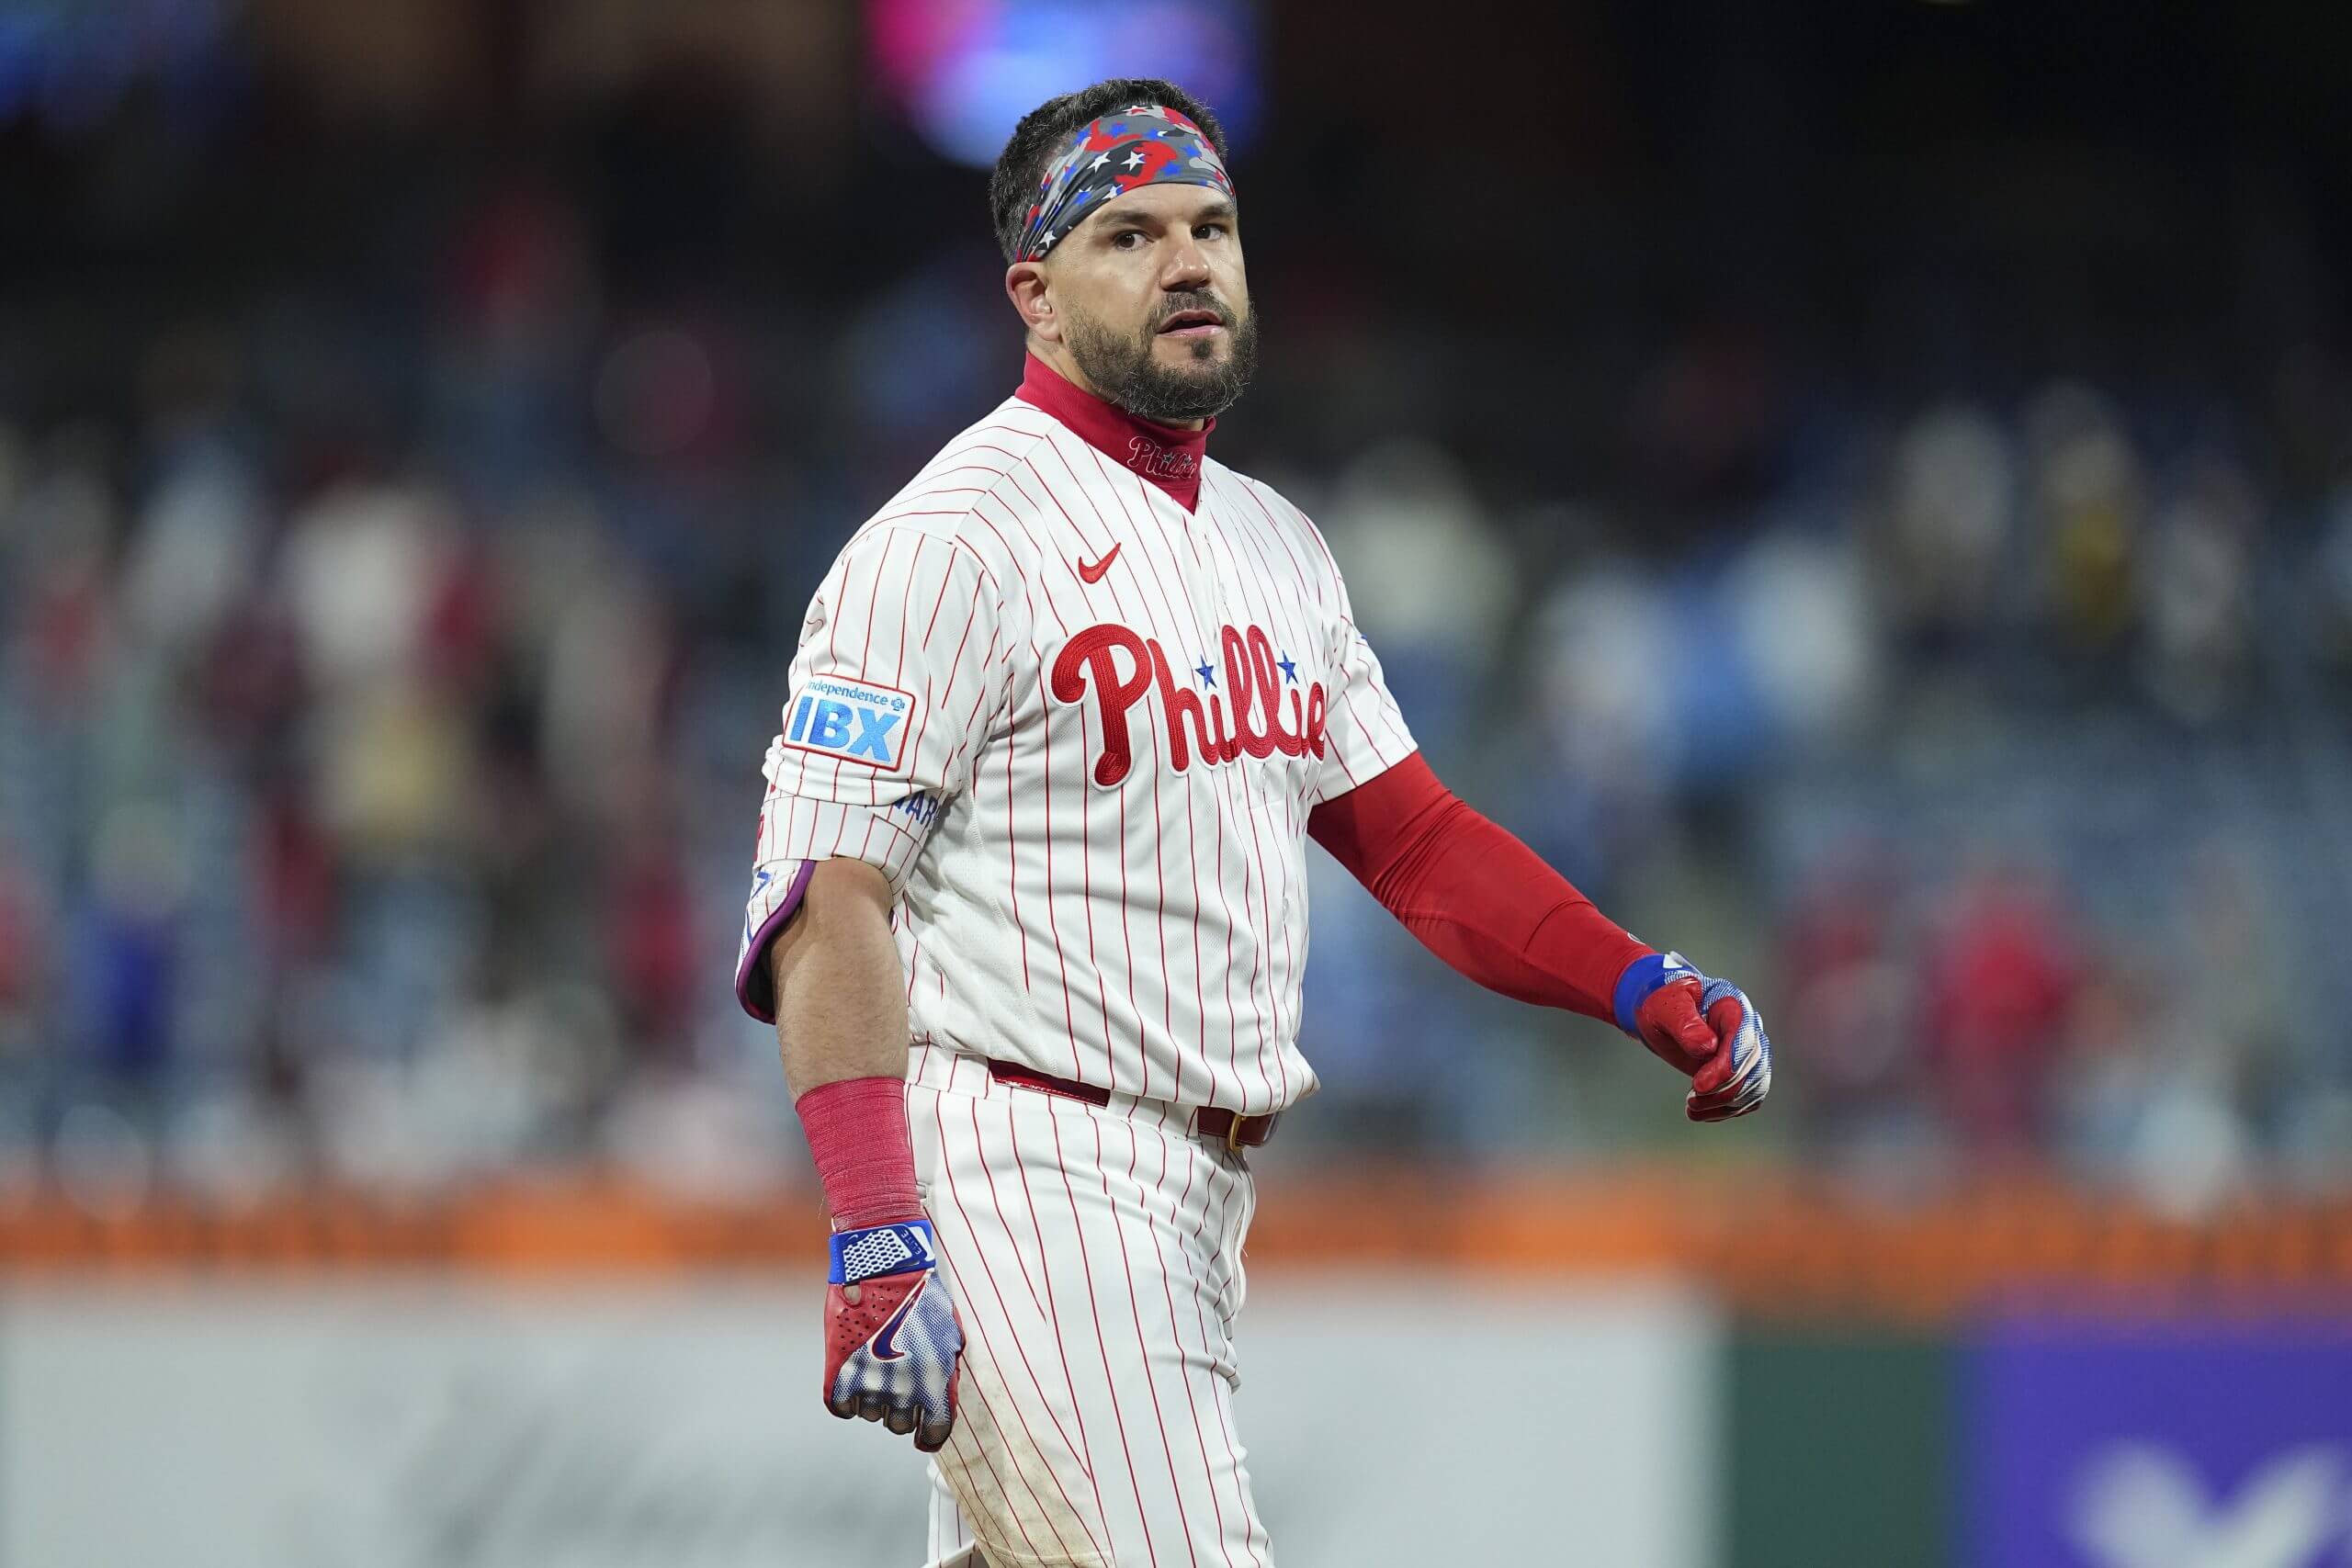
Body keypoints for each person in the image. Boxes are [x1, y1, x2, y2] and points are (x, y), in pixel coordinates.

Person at [733, 77, 1772, 1568]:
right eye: (1131, 234)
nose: (1189, 261)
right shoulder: (948, 541)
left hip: (1194, 1194)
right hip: (1032, 1169)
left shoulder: (1277, 545)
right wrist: (874, 1224)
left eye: (1212, 224)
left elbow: (1411, 842)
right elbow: (831, 896)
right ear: (1033, 291)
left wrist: (1633, 983)